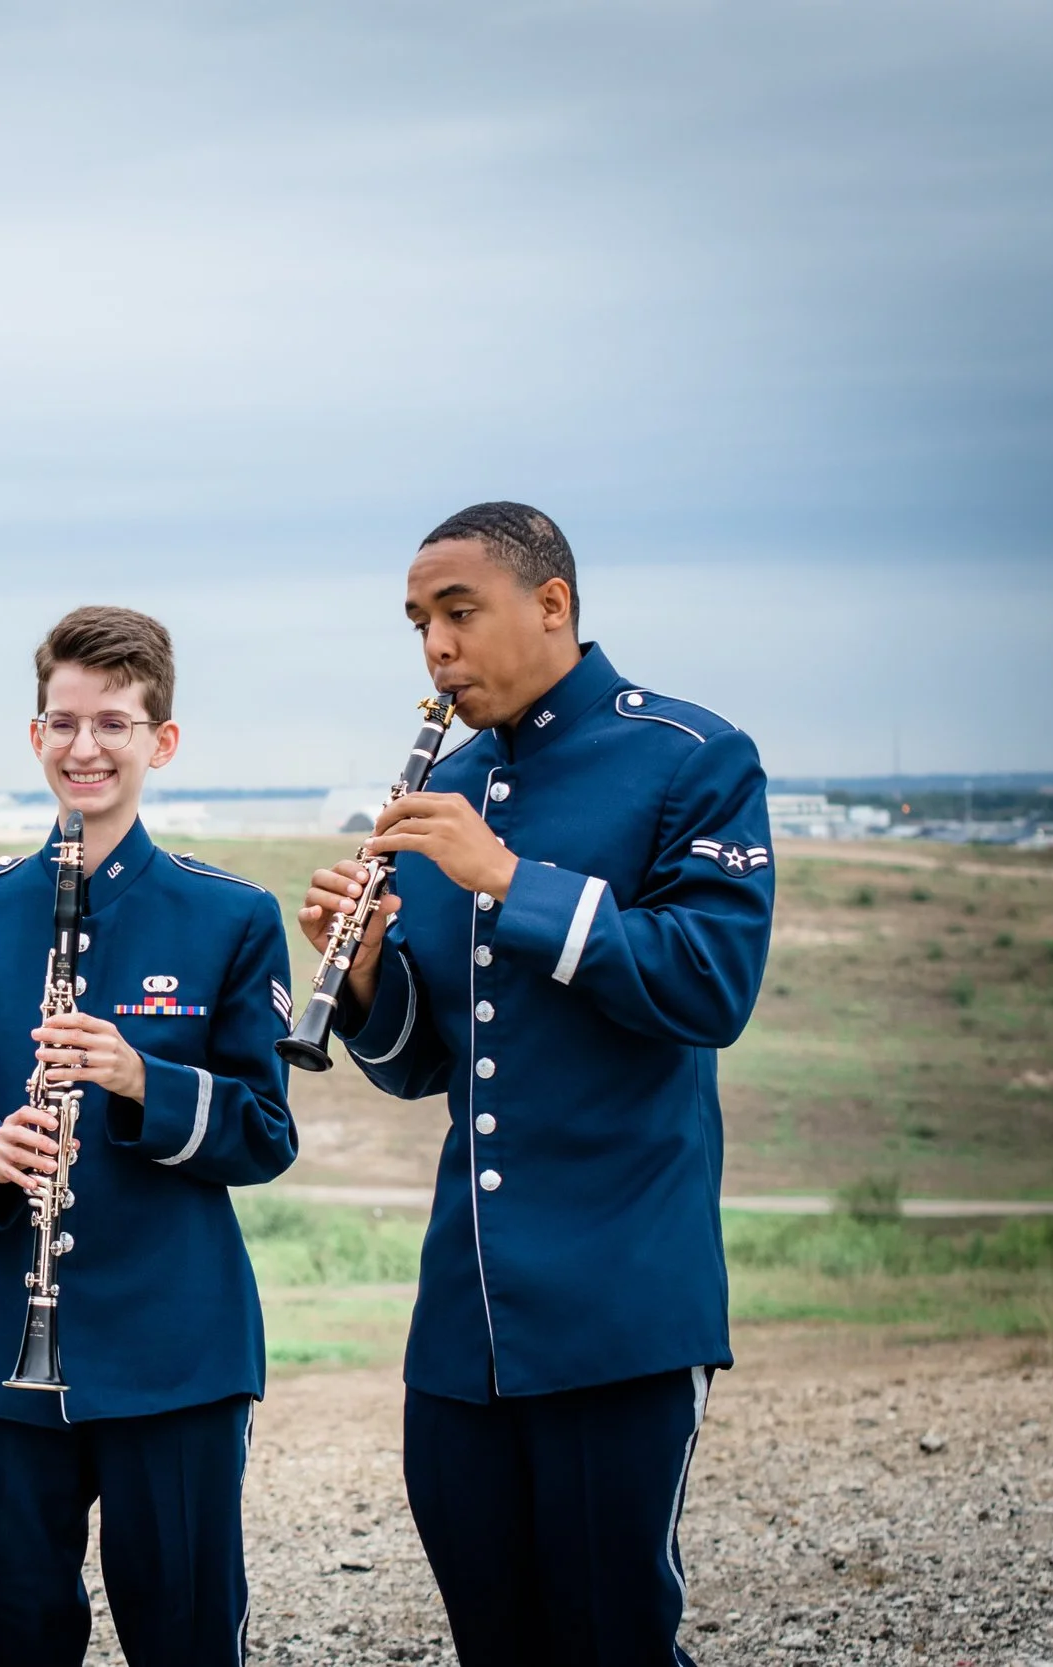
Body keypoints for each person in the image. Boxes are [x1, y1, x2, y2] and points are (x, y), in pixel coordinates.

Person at [301, 503, 774, 1665]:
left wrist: (510, 878)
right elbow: (426, 1064)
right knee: (493, 1638)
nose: (435, 649)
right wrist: (362, 983)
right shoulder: (453, 782)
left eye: (458, 613)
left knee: (611, 1636)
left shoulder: (689, 756)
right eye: (419, 623)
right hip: (466, 1318)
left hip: (620, 1304)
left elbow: (710, 986)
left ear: (550, 604)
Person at [0, 606, 298, 1667]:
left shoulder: (232, 916)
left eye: (113, 723)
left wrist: (136, 1078)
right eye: (63, 722)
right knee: (9, 1643)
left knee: (190, 1637)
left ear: (161, 739)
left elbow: (262, 1133)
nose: (84, 747)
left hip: (178, 1350)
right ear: (34, 735)